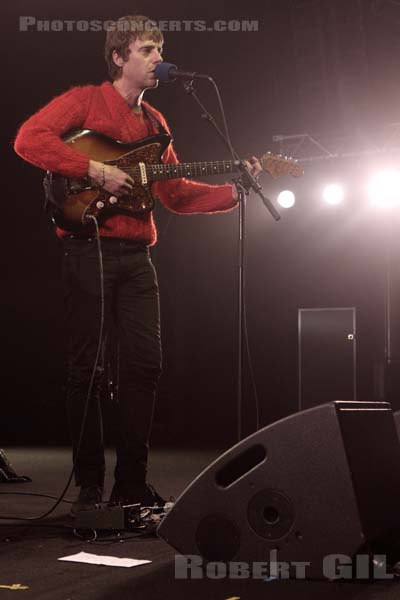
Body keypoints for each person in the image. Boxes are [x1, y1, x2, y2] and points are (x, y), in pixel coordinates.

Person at [14, 15, 262, 515]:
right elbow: (28, 139)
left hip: (137, 258)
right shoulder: (85, 100)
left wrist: (232, 189)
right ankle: (88, 485)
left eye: (159, 50)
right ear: (119, 57)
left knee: (145, 367)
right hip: (89, 251)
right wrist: (92, 169)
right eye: (148, 50)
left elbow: (175, 193)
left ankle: (131, 483)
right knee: (87, 369)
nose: (157, 60)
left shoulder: (156, 125)